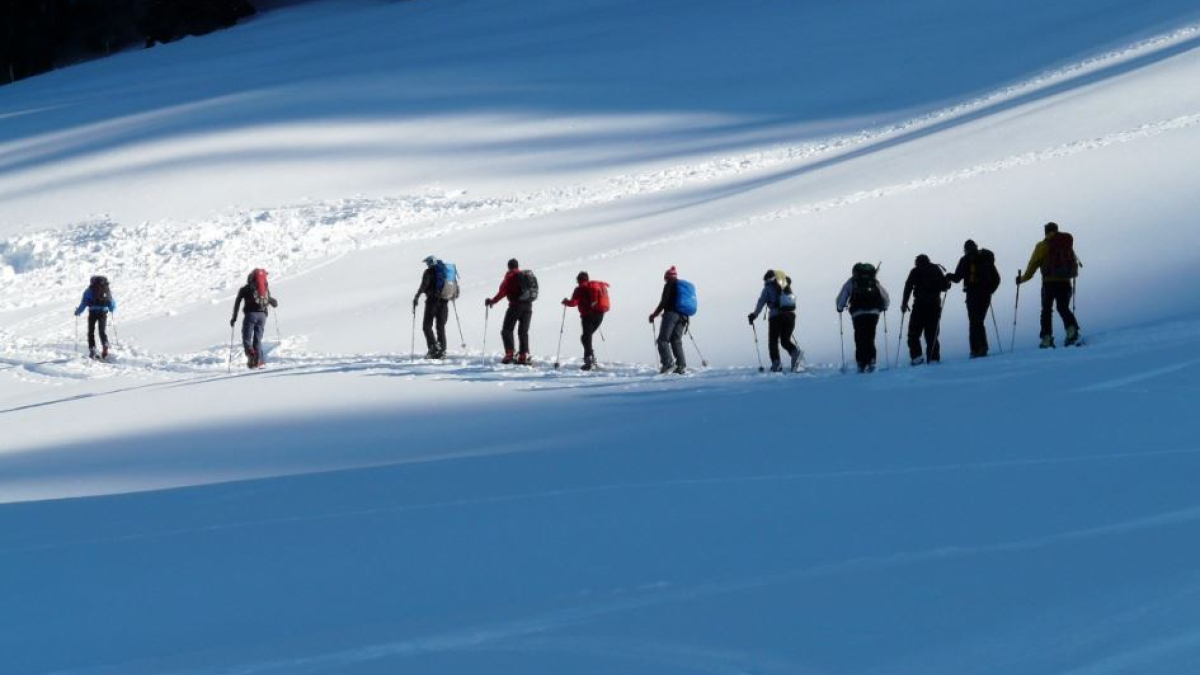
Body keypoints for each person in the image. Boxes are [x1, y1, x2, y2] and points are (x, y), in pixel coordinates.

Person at [1017, 222, 1082, 348]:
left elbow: (1033, 265)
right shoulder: (1066, 244)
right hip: (1065, 281)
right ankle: (1072, 331)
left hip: (1049, 283)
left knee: (1046, 310)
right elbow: (1072, 262)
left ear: (1046, 232)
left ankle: (1046, 339)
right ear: (1056, 230)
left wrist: (1023, 279)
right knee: (1063, 307)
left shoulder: (1042, 245)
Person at [946, 239, 1001, 358]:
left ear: (965, 249)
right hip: (985, 294)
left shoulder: (965, 259)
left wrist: (948, 276)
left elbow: (957, 278)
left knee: (974, 321)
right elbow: (997, 278)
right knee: (979, 321)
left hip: (972, 294)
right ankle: (982, 347)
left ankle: (976, 349)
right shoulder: (986, 258)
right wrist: (990, 290)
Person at [836, 263, 890, 373]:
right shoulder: (873, 281)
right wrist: (884, 306)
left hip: (858, 313)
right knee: (870, 337)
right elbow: (885, 297)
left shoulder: (852, 281)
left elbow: (842, 296)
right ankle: (871, 360)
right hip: (873, 313)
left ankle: (861, 362)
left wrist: (840, 308)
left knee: (860, 337)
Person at [901, 255, 951, 365]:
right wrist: (948, 283)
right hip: (934, 305)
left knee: (913, 334)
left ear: (917, 262)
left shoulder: (915, 271)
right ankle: (933, 358)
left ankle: (916, 357)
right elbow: (944, 286)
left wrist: (904, 303)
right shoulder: (936, 269)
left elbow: (908, 287)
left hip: (919, 306)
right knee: (932, 334)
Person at [748, 270, 802, 372]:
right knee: (785, 340)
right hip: (790, 316)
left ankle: (776, 363)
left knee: (773, 341)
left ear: (767, 279)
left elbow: (761, 303)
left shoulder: (767, 288)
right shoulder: (785, 285)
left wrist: (754, 315)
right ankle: (795, 353)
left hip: (775, 317)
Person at [485, 258, 535, 364]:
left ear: (509, 267)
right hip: (528, 306)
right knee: (523, 332)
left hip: (515, 306)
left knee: (506, 330)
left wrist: (492, 301)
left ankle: (510, 354)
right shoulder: (524, 275)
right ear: (517, 266)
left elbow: (502, 292)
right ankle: (523, 356)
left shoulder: (510, 276)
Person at [230, 269, 278, 369]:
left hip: (250, 315)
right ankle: (259, 362)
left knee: (246, 338)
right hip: (262, 316)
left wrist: (234, 318)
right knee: (258, 340)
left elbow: (237, 303)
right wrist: (272, 303)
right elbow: (274, 303)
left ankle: (251, 354)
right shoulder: (264, 289)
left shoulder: (245, 289)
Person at [562, 271, 609, 370]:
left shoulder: (579, 289)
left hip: (587, 316)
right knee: (586, 337)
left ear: (578, 280)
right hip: (600, 315)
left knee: (585, 337)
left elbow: (574, 302)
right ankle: (590, 358)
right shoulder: (595, 287)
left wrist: (566, 302)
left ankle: (589, 360)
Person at [648, 266, 689, 374]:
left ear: (667, 277)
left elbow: (664, 302)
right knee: (676, 340)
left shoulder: (669, 285)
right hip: (684, 316)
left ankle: (668, 363)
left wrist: (654, 315)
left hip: (671, 315)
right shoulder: (680, 286)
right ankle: (681, 365)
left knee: (663, 340)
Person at [412, 255, 449, 359]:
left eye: (427, 263)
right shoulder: (445, 271)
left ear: (430, 263)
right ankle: (442, 351)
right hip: (444, 303)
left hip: (432, 303)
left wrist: (416, 297)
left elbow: (424, 285)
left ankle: (433, 349)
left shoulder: (428, 272)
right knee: (440, 327)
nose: (427, 265)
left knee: (426, 327)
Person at [74, 276, 117, 361]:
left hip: (92, 312)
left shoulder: (88, 290)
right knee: (102, 331)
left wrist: (78, 312)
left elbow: (84, 303)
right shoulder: (106, 289)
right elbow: (111, 302)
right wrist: (111, 309)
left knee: (91, 332)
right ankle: (105, 343)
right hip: (103, 312)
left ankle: (92, 349)